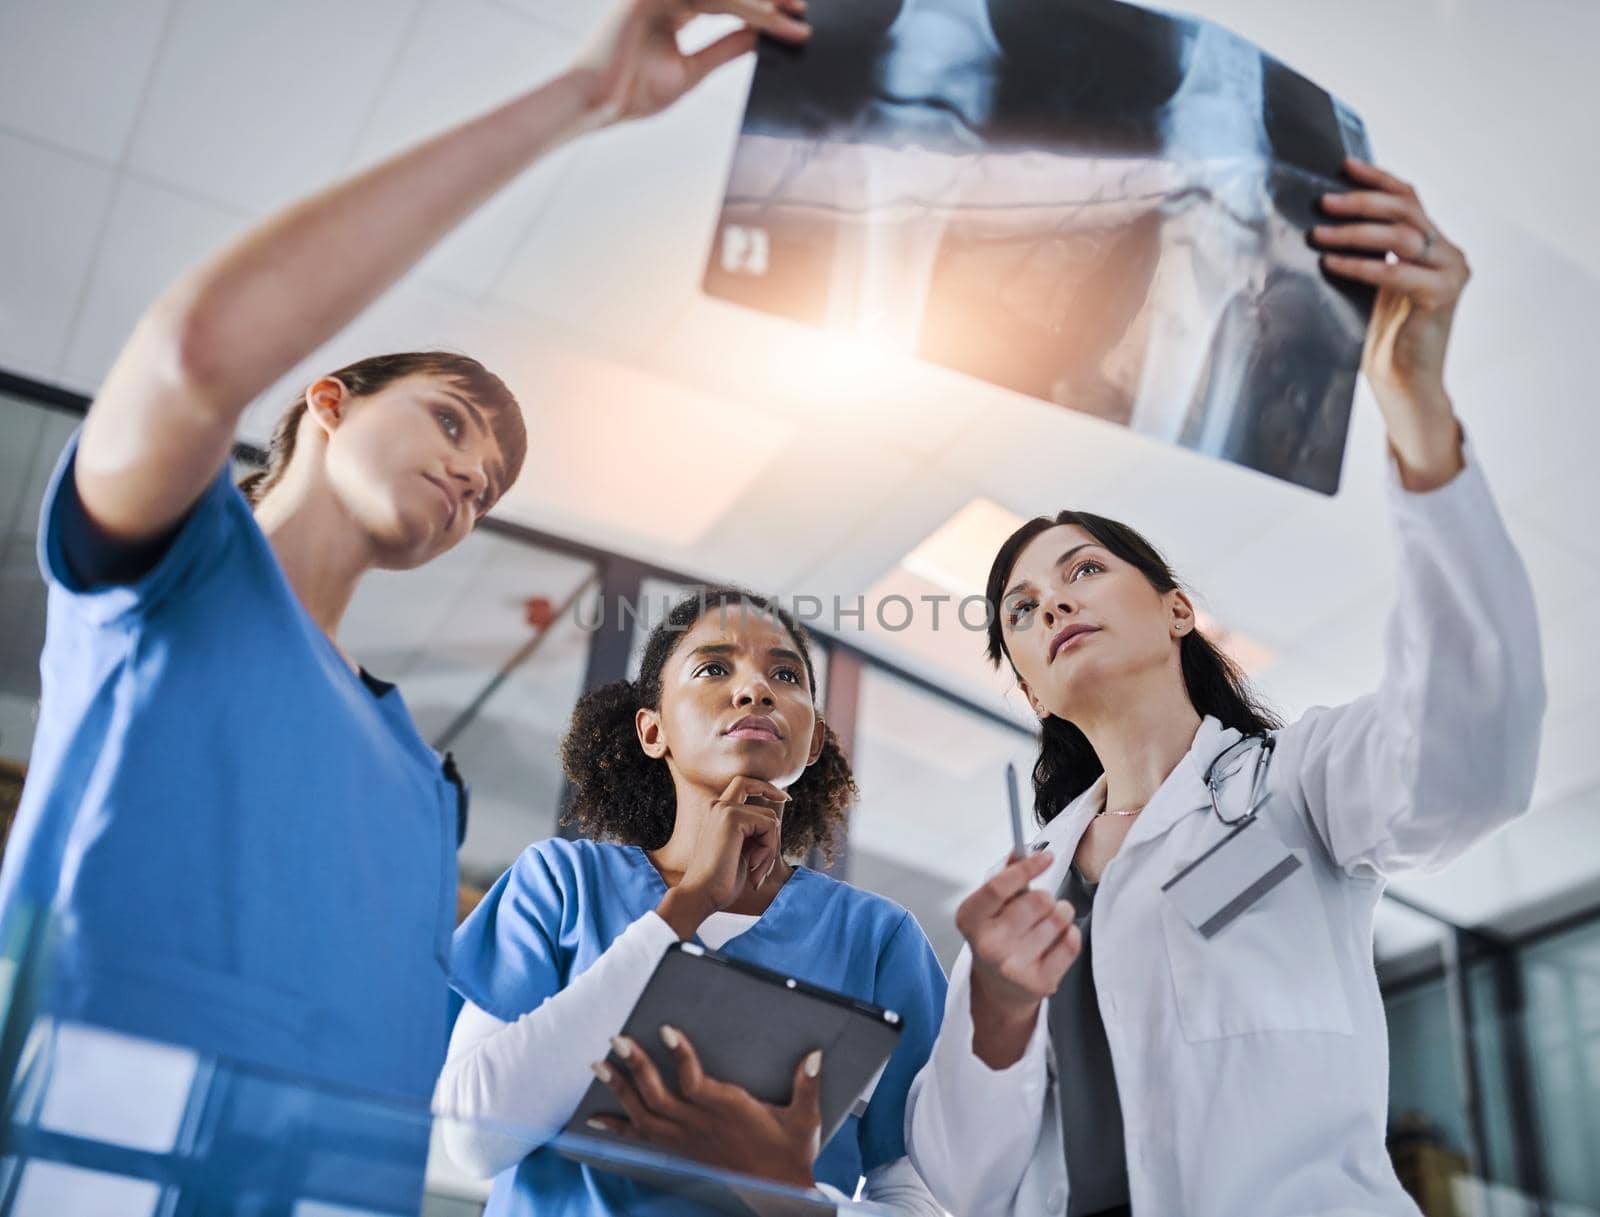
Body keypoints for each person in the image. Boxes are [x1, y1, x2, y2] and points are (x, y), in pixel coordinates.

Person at [0, 0, 809, 1206]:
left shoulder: (411, 776)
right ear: (327, 400)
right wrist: (582, 99)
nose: (471, 474)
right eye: (449, 422)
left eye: (489, 483)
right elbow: (194, 355)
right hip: (80, 1155)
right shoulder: (174, 572)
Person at [904, 160, 1546, 1217]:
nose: (1050, 604)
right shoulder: (1021, 889)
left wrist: (1417, 416)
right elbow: (952, 1178)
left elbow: (1467, 761)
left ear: (1174, 610)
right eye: (1018, 611)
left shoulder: (1299, 784)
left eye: (1082, 569)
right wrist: (998, 1009)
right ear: (1029, 686)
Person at [437, 588, 948, 1215]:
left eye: (785, 675)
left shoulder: (879, 940)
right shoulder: (561, 883)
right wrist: (686, 907)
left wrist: (787, 1195)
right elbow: (474, 1138)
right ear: (653, 732)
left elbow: (927, 1200)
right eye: (714, 668)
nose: (755, 690)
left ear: (813, 742)